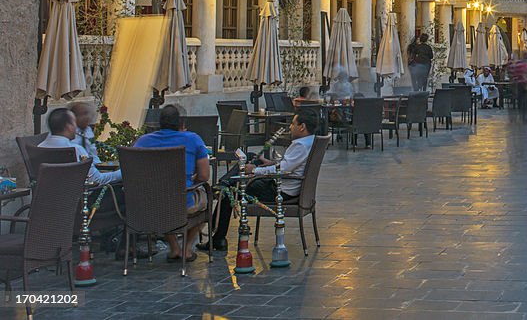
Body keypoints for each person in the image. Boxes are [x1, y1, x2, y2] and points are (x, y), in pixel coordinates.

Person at [201, 109, 318, 251]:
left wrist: (255, 171)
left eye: (293, 124)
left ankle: (217, 238)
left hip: (279, 191)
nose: (290, 127)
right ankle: (223, 183)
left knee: (228, 192)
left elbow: (283, 170)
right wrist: (268, 163)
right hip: (284, 185)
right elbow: (287, 165)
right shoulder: (310, 141)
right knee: (250, 156)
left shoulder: (300, 145)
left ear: (302, 126)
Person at [134, 105, 211, 261]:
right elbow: (204, 176)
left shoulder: (142, 141)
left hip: (148, 203)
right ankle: (187, 248)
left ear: (159, 123)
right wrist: (191, 181)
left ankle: (174, 247)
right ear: (180, 123)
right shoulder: (193, 139)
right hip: (182, 201)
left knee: (163, 195)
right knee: (206, 199)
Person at [40, 108, 121, 185]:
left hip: (47, 197)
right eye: (75, 123)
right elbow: (96, 180)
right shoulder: (76, 149)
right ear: (69, 126)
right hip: (78, 196)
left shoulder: (40, 147)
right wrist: (124, 172)